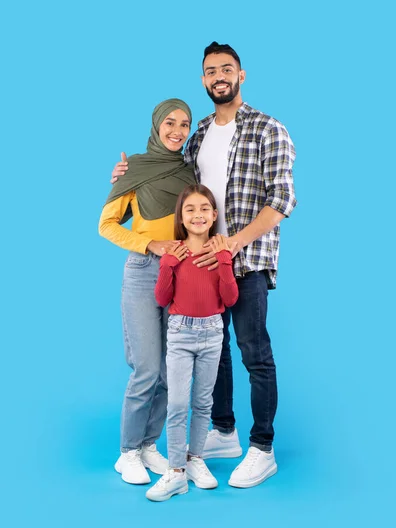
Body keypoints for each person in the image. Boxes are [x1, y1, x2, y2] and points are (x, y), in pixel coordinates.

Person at [111, 42, 297, 489]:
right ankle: (225, 431)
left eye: (226, 69)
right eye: (211, 70)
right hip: (199, 262)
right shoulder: (198, 135)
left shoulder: (268, 128)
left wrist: (232, 244)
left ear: (241, 75)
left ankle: (262, 447)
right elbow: (172, 180)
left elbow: (282, 201)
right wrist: (129, 173)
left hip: (245, 258)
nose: (219, 76)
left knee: (253, 350)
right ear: (203, 80)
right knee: (216, 355)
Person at [99, 98, 195, 485]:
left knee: (172, 371)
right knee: (146, 368)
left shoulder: (191, 172)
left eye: (184, 124)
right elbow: (107, 224)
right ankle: (127, 453)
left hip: (184, 274)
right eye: (170, 122)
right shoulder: (134, 168)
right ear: (157, 125)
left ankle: (148, 445)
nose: (177, 131)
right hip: (143, 272)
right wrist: (149, 245)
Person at [145, 185, 238, 502]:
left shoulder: (219, 252)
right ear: (181, 218)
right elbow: (161, 298)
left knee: (203, 404)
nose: (198, 214)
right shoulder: (174, 253)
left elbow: (229, 298)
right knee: (177, 404)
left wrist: (225, 261)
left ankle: (195, 458)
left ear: (214, 215)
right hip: (181, 334)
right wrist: (168, 264)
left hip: (212, 333)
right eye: (190, 209)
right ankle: (175, 472)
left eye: (204, 209)